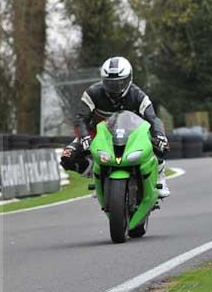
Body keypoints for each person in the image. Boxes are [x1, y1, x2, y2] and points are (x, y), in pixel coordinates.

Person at [60, 56, 171, 198]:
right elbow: (81, 119)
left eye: (120, 83)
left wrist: (160, 136)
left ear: (129, 79)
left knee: (161, 145)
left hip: (133, 134)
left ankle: (160, 178)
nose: (114, 88)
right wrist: (85, 136)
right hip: (99, 133)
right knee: (67, 158)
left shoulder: (138, 95)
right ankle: (96, 176)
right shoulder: (92, 93)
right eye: (110, 83)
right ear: (102, 80)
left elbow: (153, 119)